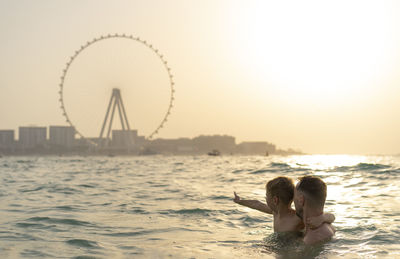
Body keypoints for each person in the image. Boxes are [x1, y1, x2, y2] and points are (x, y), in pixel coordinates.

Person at [233, 176, 335, 233]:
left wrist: (321, 219)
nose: (265, 199)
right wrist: (240, 201)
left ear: (275, 200)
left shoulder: (296, 218)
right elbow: (257, 204)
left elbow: (331, 217)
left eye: (266, 196)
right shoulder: (275, 212)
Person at [294, 176, 335, 245]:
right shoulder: (328, 226)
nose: (293, 201)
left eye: (294, 196)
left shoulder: (311, 239)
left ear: (301, 200)